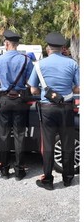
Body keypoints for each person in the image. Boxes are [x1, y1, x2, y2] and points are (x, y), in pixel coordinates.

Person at [28, 32, 79, 190]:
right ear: (63, 48)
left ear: (47, 48)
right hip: (67, 108)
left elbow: (33, 90)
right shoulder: (72, 64)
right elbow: (78, 87)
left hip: (47, 109)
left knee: (48, 144)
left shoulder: (39, 64)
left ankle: (48, 180)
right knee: (67, 143)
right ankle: (68, 178)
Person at [0, 29, 34, 180]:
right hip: (19, 100)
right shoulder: (26, 60)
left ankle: (4, 169)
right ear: (17, 44)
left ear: (7, 43)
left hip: (4, 99)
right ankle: (19, 170)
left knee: (4, 135)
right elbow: (31, 82)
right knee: (19, 136)